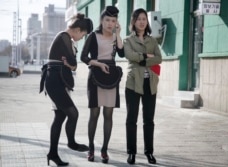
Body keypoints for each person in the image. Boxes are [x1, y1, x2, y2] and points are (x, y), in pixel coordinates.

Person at [39, 13, 93, 166]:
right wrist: (71, 62)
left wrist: (71, 63)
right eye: (82, 35)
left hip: (58, 81)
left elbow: (74, 65)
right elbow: (73, 62)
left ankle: (53, 154)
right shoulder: (63, 36)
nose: (81, 38)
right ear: (77, 29)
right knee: (73, 113)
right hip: (54, 81)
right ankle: (71, 143)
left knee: (60, 117)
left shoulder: (67, 40)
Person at [80, 6, 124, 164]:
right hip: (96, 76)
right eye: (107, 20)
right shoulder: (93, 36)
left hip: (111, 77)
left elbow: (122, 53)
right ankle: (91, 148)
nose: (110, 23)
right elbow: (83, 57)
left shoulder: (115, 37)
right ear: (102, 20)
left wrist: (118, 34)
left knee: (108, 115)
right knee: (94, 115)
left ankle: (104, 150)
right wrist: (97, 64)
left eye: (113, 21)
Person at [123, 8, 162, 165]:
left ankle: (149, 152)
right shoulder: (128, 40)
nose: (142, 21)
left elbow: (159, 58)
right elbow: (129, 56)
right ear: (133, 21)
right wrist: (147, 56)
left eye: (144, 19)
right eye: (138, 18)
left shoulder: (152, 41)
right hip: (133, 83)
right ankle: (131, 152)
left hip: (150, 83)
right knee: (131, 119)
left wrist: (141, 59)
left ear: (147, 21)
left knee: (149, 120)